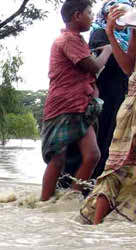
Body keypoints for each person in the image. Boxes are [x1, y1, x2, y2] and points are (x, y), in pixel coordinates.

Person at [39, 0, 113, 201]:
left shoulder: (77, 40)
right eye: (89, 13)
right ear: (76, 15)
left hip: (80, 107)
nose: (92, 17)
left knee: (93, 155)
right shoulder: (68, 40)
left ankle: (71, 198)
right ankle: (44, 202)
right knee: (57, 159)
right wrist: (108, 50)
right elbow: (94, 66)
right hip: (63, 107)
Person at [63, 0, 134, 186]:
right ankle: (81, 189)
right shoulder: (100, 34)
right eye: (116, 14)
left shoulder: (130, 35)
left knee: (110, 146)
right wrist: (111, 39)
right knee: (97, 146)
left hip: (121, 100)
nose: (122, 19)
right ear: (107, 15)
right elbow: (104, 67)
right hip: (100, 101)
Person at [81, 5, 136, 224]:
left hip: (129, 103)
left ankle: (98, 232)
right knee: (116, 166)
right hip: (132, 105)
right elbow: (128, 67)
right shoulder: (132, 30)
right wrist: (111, 33)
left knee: (116, 166)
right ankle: (97, 230)